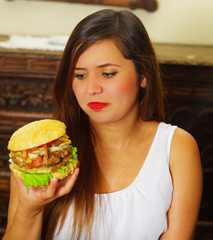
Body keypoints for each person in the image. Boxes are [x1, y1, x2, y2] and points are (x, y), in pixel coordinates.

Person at [3, 9, 202, 240]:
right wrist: (31, 209)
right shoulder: (43, 154)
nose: (92, 89)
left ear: (143, 75)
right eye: (80, 75)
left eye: (107, 74)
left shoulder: (176, 148)